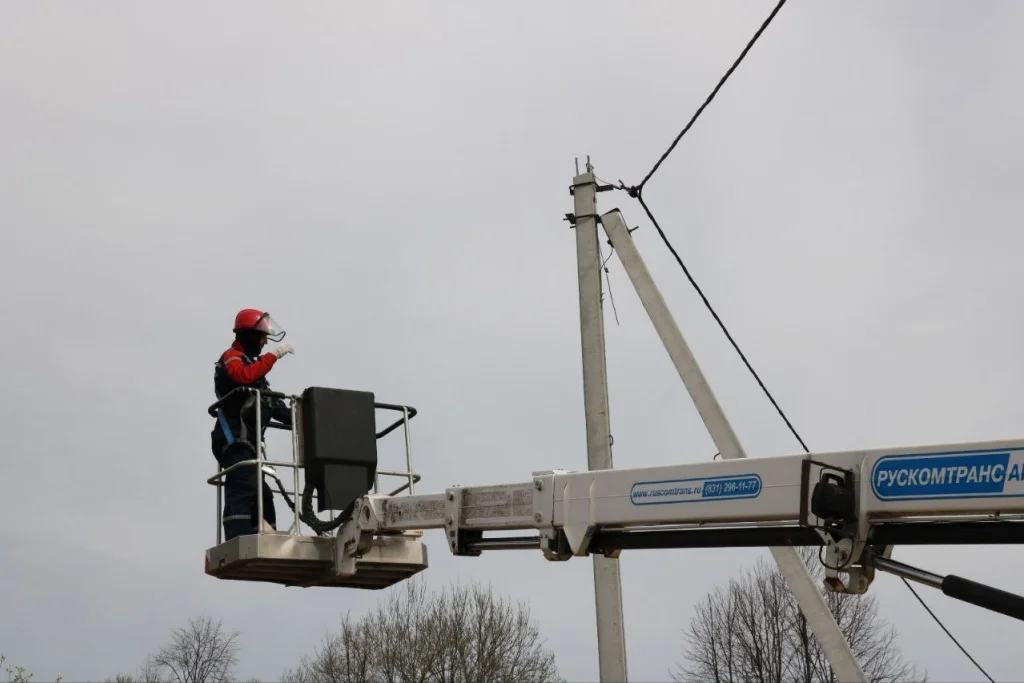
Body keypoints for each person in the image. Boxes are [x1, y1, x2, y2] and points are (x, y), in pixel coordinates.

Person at [211, 308, 295, 541]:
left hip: (248, 444)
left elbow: (274, 405)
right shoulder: (232, 358)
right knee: (244, 485)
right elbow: (243, 376)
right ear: (250, 335)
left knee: (262, 494)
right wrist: (273, 356)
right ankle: (239, 538)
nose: (265, 342)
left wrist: (305, 417)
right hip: (233, 439)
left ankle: (267, 537)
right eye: (263, 337)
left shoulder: (256, 371)